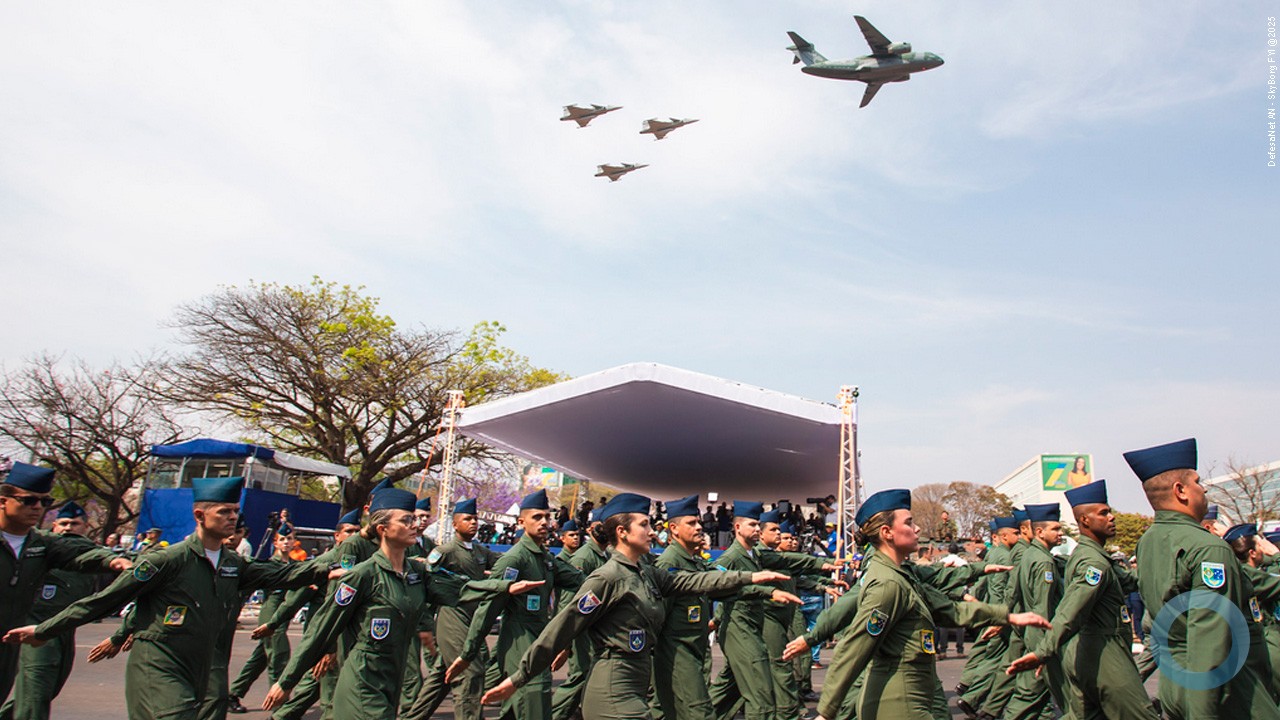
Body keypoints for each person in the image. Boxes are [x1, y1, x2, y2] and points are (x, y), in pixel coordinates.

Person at [3, 476, 332, 720]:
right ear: (199, 515)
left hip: (198, 663)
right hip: (159, 662)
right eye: (224, 511)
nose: (232, 518)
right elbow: (102, 600)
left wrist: (330, 567)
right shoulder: (165, 561)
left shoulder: (233, 563)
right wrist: (44, 630)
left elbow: (284, 575)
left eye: (235, 511)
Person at [481, 492, 793, 720]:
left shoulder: (647, 572)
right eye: (644, 525)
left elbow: (694, 582)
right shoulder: (606, 578)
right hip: (612, 687)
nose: (652, 530)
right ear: (622, 532)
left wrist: (751, 576)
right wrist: (518, 678)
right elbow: (560, 629)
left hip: (636, 681)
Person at [262, 488, 538, 720]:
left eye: (413, 520)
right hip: (363, 682)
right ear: (383, 529)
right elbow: (320, 630)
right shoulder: (361, 576)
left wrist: (505, 587)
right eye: (406, 521)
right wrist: (287, 682)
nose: (414, 525)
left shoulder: (417, 573)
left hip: (391, 684)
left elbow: (461, 587)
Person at [814, 489, 1049, 720]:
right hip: (898, 700)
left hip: (915, 692)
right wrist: (826, 713)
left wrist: (1008, 616)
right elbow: (854, 648)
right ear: (887, 532)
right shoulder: (887, 584)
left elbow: (949, 610)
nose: (917, 528)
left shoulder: (901, 574)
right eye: (909, 522)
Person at [1126, 437, 1280, 719]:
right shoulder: (1208, 548)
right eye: (1198, 482)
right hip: (1222, 690)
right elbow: (1209, 640)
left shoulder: (1148, 541)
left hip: (1175, 682)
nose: (1204, 488)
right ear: (1181, 490)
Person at [1006, 480, 1159, 719]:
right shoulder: (1092, 562)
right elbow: (1071, 611)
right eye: (1104, 513)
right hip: (1104, 656)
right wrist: (1044, 651)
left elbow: (1129, 581)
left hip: (1090, 652)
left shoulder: (1092, 556)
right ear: (1085, 520)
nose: (1112, 518)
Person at [446, 489, 586, 720]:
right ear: (521, 522)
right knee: (533, 703)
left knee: (516, 709)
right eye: (537, 517)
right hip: (519, 643)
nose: (544, 522)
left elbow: (579, 580)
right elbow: (488, 610)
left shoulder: (545, 558)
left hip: (538, 640)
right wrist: (468, 653)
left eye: (547, 517)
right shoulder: (514, 560)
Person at [0, 463, 127, 705]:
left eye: (43, 502)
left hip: (7, 645)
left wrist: (113, 561)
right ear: (3, 501)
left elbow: (78, 555)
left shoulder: (41, 543)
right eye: (28, 500)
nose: (37, 507)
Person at [653, 495, 787, 720]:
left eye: (698, 522)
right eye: (692, 523)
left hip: (694, 650)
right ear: (673, 529)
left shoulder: (693, 562)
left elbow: (721, 588)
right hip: (677, 656)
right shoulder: (669, 564)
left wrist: (768, 590)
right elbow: (657, 618)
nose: (699, 527)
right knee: (698, 713)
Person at [708, 501, 837, 720]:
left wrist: (821, 564)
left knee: (728, 691)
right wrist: (768, 592)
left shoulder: (755, 555)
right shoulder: (730, 558)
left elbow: (785, 559)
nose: (757, 529)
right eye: (752, 525)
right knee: (761, 698)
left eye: (759, 525)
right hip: (740, 629)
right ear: (738, 527)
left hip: (752, 627)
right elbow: (716, 583)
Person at [403, 498, 504, 720]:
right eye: (467, 519)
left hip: (472, 616)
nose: (473, 523)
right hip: (452, 615)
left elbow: (502, 562)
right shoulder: (445, 550)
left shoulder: (479, 551)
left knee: (442, 675)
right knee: (470, 674)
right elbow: (425, 574)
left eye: (475, 519)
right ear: (455, 524)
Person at [0, 501, 101, 720]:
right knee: (35, 694)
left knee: (47, 690)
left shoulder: (89, 554)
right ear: (54, 525)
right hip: (36, 626)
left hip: (65, 629)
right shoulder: (42, 550)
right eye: (63, 523)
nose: (68, 528)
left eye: (74, 523)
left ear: (85, 526)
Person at [226, 532, 299, 713]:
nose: (286, 543)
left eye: (289, 538)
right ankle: (280, 708)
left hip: (284, 612)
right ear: (275, 542)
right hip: (270, 612)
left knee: (261, 657)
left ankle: (234, 693)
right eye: (282, 539)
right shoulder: (267, 564)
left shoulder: (294, 564)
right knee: (278, 655)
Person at [955, 516, 1019, 717]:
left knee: (986, 650)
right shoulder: (1004, 556)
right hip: (1000, 612)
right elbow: (999, 587)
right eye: (1016, 532)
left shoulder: (995, 554)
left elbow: (983, 584)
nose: (1018, 536)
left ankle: (969, 688)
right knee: (996, 656)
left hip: (992, 609)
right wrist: (999, 614)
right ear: (1002, 535)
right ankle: (975, 697)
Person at [548, 510, 606, 720]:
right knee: (580, 675)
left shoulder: (603, 555)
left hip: (594, 628)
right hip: (581, 629)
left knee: (589, 675)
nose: (575, 537)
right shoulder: (583, 557)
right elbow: (569, 603)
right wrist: (565, 641)